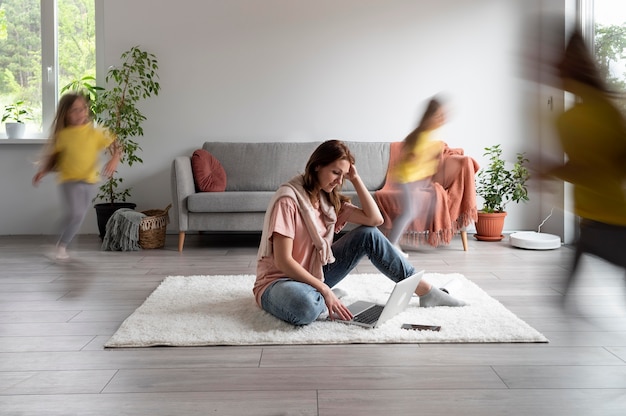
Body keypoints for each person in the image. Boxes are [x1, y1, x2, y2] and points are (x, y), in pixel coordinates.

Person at [253, 139, 466, 326]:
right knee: (305, 308)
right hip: (279, 282)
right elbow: (282, 262)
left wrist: (355, 179)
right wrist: (325, 289)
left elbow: (375, 220)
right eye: (335, 172)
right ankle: (320, 296)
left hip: (314, 273)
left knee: (368, 235)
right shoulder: (288, 201)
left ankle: (426, 291)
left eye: (343, 175)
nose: (339, 180)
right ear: (317, 166)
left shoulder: (328, 200)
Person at [542, 31, 626, 300]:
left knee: (587, 245)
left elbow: (584, 168)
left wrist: (550, 170)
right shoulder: (607, 109)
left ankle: (562, 301)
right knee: (582, 244)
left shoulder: (573, 118)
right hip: (602, 213)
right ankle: (563, 300)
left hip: (607, 216)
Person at [32, 92, 121, 260]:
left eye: (83, 108)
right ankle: (61, 246)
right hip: (69, 180)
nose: (81, 113)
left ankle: (58, 244)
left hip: (89, 180)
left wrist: (114, 159)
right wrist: (43, 171)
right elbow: (54, 157)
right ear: (65, 113)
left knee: (75, 215)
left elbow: (116, 144)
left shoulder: (94, 133)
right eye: (75, 110)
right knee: (76, 214)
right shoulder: (63, 136)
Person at [387, 97, 447, 257]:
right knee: (409, 211)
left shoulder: (428, 135)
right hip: (405, 179)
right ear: (429, 117)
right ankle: (391, 244)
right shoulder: (421, 136)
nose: (442, 119)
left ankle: (396, 240)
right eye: (439, 116)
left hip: (412, 180)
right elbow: (410, 159)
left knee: (419, 208)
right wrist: (416, 157)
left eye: (443, 115)